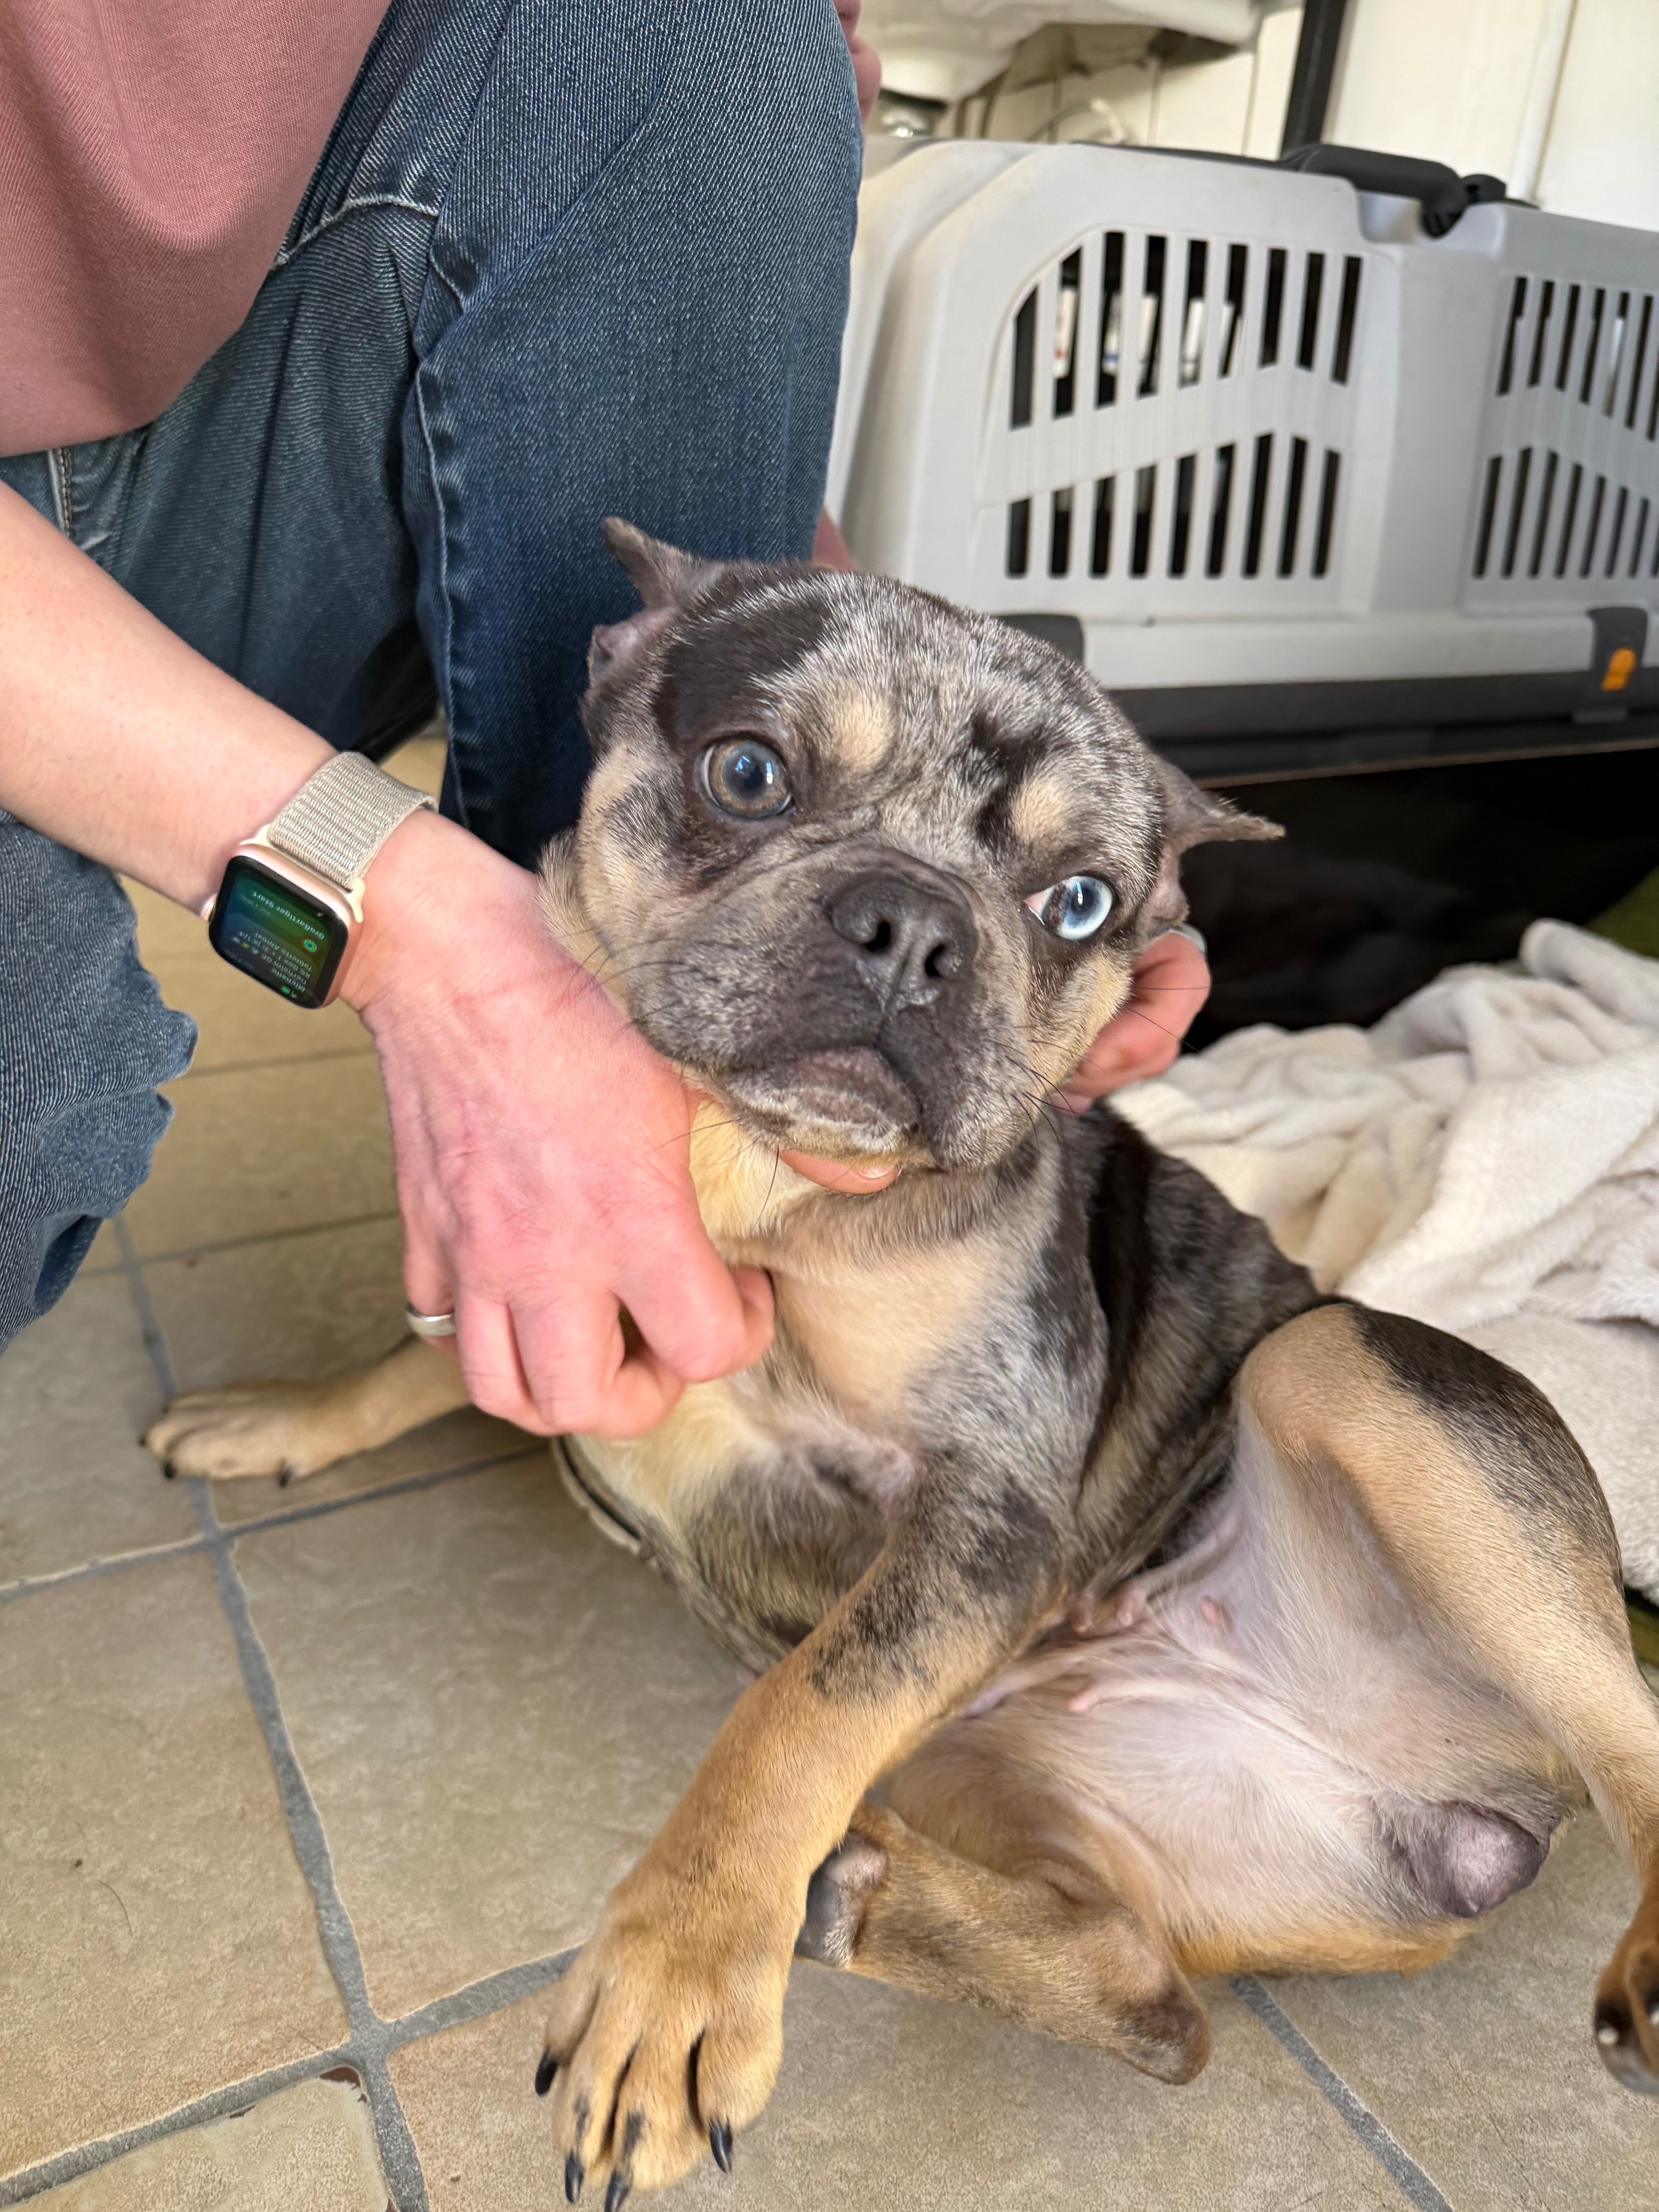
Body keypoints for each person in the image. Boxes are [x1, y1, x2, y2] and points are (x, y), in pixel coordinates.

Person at [0, 0, 1210, 1439]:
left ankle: (616, 1126)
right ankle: (558, 1068)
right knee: (26, 1113)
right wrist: (435, 949)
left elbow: (696, 318)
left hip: (227, 425)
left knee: (709, 30)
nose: (906, 942)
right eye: (755, 782)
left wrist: (1050, 880)